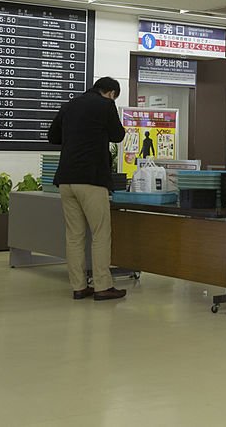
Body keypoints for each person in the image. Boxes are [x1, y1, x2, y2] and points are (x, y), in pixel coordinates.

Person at [47, 77, 127, 301]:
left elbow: (52, 136)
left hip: (65, 179)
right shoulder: (105, 105)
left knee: (74, 236)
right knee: (100, 233)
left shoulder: (69, 105)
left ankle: (79, 287)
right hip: (91, 179)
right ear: (110, 93)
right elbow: (118, 136)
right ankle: (102, 286)